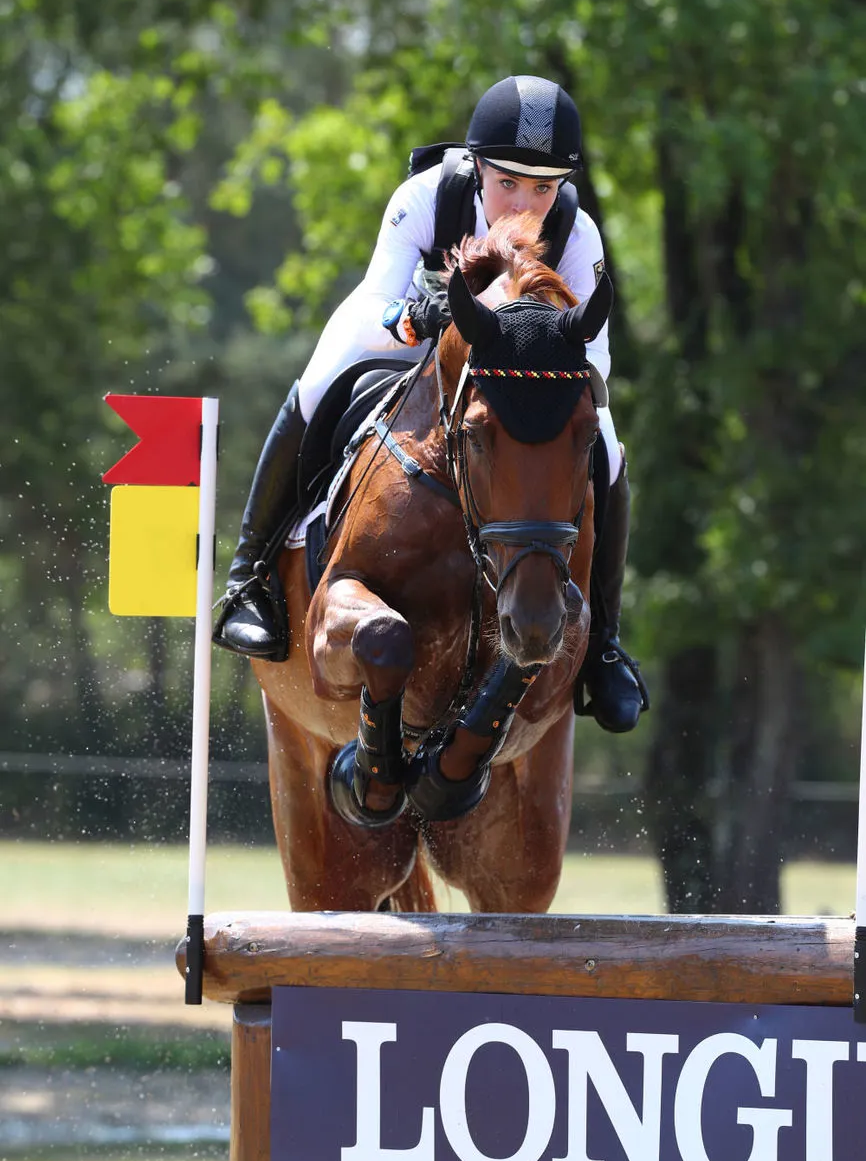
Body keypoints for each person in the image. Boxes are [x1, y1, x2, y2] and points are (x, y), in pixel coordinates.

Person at [213, 75, 648, 733]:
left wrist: (538, 346)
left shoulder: (577, 230)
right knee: (319, 380)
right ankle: (250, 581)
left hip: (514, 372)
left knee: (607, 445)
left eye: (543, 188)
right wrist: (414, 316)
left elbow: (598, 355)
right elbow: (372, 302)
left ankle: (605, 643)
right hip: (407, 342)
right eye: (508, 182)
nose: (524, 203)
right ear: (478, 167)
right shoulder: (425, 198)